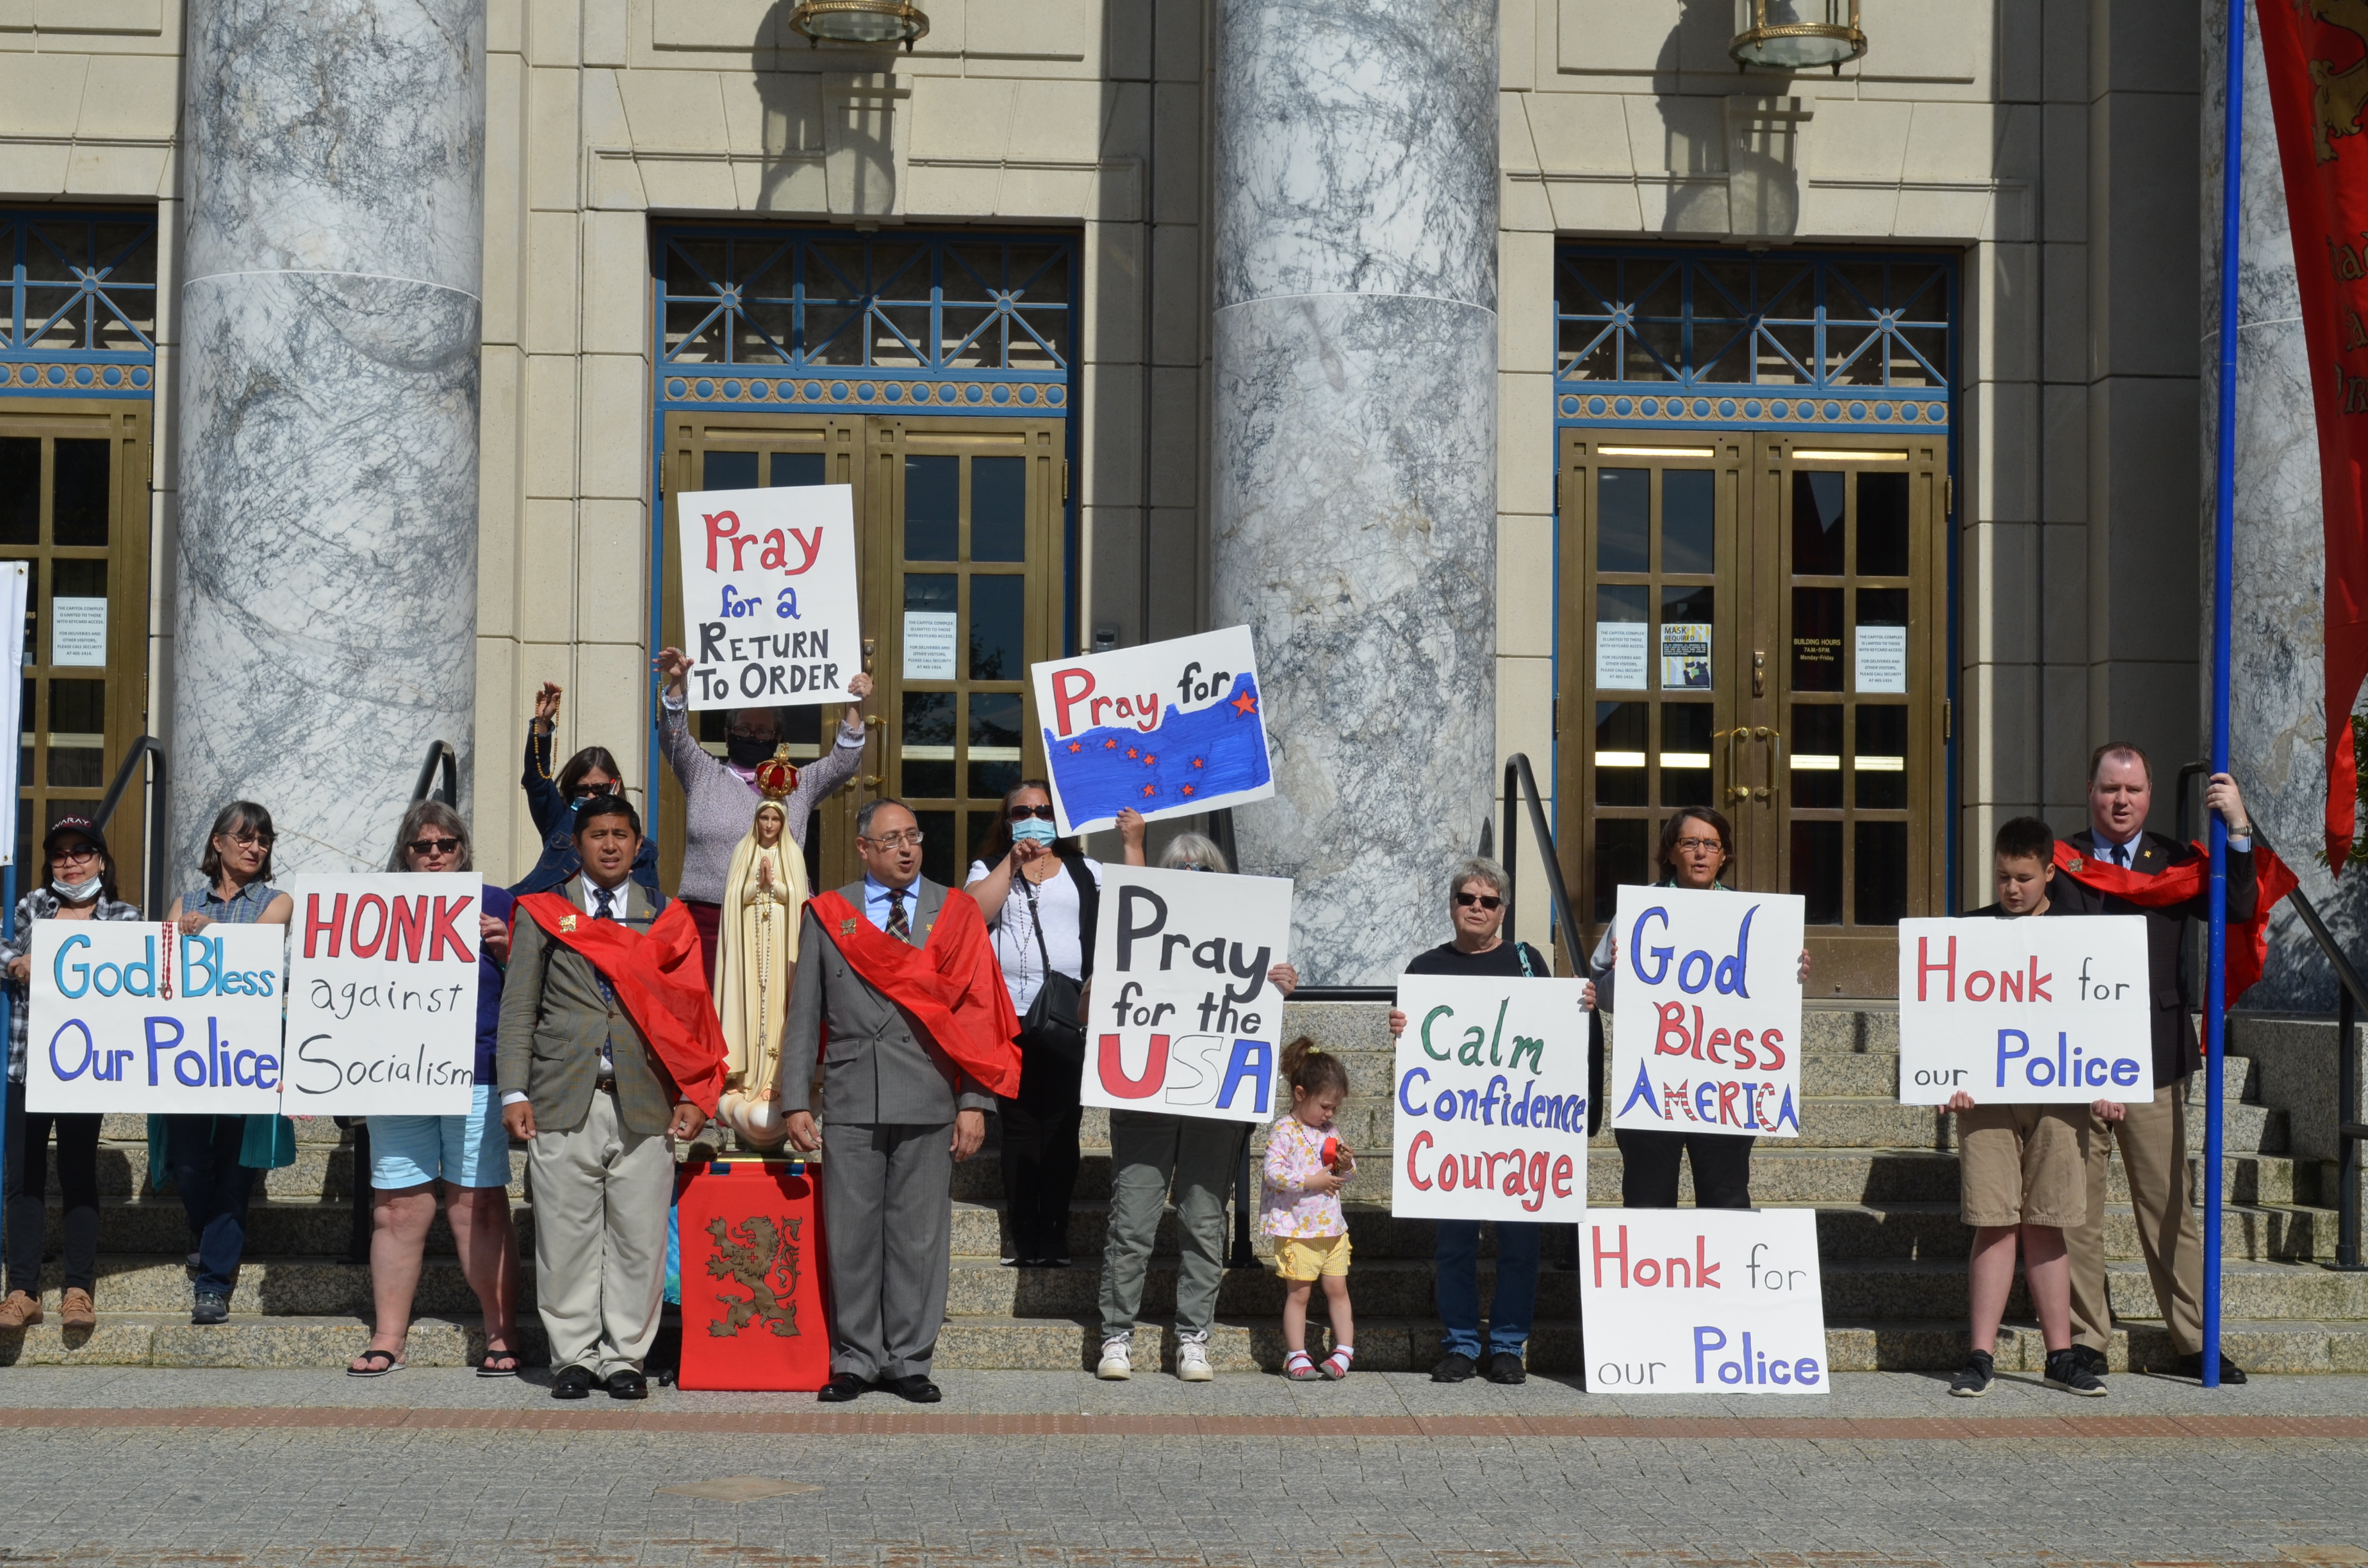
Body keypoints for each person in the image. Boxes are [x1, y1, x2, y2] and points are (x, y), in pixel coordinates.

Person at [778, 797, 1021, 1404]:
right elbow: (804, 1012)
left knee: (918, 1238)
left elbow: (978, 1013)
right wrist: (794, 1100)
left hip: (929, 1094)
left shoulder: (957, 912)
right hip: (853, 1092)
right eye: (891, 840)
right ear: (864, 849)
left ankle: (910, 1358)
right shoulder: (830, 914)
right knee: (852, 1234)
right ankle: (855, 1358)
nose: (907, 849)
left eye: (913, 836)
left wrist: (973, 1101)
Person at [499, 794, 725, 1400]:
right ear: (577, 845)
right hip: (561, 1095)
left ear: (638, 844)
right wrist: (514, 1091)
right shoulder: (545, 913)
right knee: (566, 1237)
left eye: (621, 835)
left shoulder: (667, 917)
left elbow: (690, 1014)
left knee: (638, 1237)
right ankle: (573, 1356)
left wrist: (694, 1094)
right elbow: (519, 1006)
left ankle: (626, 1357)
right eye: (597, 834)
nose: (609, 845)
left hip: (644, 1098)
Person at [2053, 743, 2258, 1387]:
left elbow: (2242, 909)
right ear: (2090, 790)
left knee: (2170, 1205)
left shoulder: (2174, 861)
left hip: (2154, 1059)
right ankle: (2088, 1339)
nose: (2122, 801)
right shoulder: (2061, 862)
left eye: (2134, 790)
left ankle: (2194, 1339)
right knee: (2077, 1213)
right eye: (2111, 789)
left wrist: (2241, 831)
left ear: (2147, 795)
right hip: (2072, 1062)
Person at [1098, 828, 1299, 1383]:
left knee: (1204, 1219)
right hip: (1145, 1095)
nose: (1190, 877)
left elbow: (1254, 1013)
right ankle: (1117, 1336)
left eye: (1203, 870)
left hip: (1215, 1096)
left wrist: (1279, 985)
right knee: (1133, 1221)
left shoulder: (1246, 937)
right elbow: (1100, 996)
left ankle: (1193, 1338)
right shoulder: (1133, 934)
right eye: (1179, 869)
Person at [346, 802, 524, 1378]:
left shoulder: (496, 903)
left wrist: (506, 948)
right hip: (396, 1077)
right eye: (423, 847)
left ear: (462, 850)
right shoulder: (370, 909)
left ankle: (500, 1333)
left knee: (479, 1208)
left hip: (476, 1073)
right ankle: (388, 1336)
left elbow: (539, 986)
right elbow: (342, 992)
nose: (435, 855)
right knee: (396, 1210)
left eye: (446, 845)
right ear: (405, 852)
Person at [1944, 817, 2105, 1399]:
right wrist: (1949, 1076)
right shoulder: (1968, 933)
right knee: (1993, 1220)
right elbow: (1946, 1015)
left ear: (2050, 874)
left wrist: (2109, 1076)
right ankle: (1980, 1355)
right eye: (2004, 877)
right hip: (1986, 1099)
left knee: (2048, 1221)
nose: (2011, 889)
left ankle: (2059, 1355)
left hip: (2061, 1098)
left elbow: (2104, 1012)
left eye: (2024, 878)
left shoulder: (2082, 935)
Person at [1385, 856, 1563, 1385]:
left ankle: (1508, 1345)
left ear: (1503, 911)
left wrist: (1580, 1006)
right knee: (1455, 1244)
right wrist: (1400, 1028)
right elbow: (1414, 1056)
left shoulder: (1527, 962)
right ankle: (1460, 1344)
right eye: (1467, 899)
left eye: (1488, 901)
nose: (1477, 908)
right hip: (1454, 1132)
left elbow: (1553, 1036)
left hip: (1519, 1127)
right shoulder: (1425, 969)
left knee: (1520, 1243)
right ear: (1452, 906)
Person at [1581, 808, 1810, 1210]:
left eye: (1711, 844)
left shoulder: (1756, 920)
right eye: (1690, 843)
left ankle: (1723, 1274)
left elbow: (1768, 1004)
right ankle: (1649, 1272)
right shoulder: (1639, 914)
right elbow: (1600, 995)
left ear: (1724, 856)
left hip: (1726, 1087)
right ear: (1671, 853)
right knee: (1647, 1199)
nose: (1701, 853)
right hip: (1653, 1086)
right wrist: (1624, 971)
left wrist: (1792, 974)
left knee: (1726, 1198)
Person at [651, 648, 874, 983]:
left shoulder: (796, 785)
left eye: (763, 732)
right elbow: (674, 740)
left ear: (778, 740)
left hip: (779, 920)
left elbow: (842, 763)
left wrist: (854, 704)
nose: (752, 737)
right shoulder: (703, 773)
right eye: (743, 730)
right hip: (709, 922)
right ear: (727, 736)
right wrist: (678, 683)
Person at [0, 817, 142, 1333]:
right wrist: (18, 962)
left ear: (102, 860)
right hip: (26, 1064)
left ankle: (79, 1290)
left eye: (82, 851)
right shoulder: (29, 908)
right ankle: (22, 1291)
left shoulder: (126, 918)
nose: (71, 861)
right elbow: (1, 949)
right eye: (60, 853)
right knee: (23, 1180)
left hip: (87, 1071)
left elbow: (147, 972)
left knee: (79, 1176)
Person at [159, 801, 297, 1327]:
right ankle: (203, 1228)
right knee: (192, 1164)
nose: (255, 848)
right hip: (189, 1053)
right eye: (244, 838)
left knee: (235, 1174)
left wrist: (207, 931)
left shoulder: (277, 900)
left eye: (263, 840)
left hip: (248, 1053)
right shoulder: (184, 900)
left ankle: (214, 1285)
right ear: (217, 843)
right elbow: (163, 961)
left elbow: (260, 942)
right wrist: (186, 929)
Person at [966, 780, 1102, 1268]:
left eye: (1043, 810)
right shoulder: (989, 868)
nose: (1033, 816)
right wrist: (1012, 863)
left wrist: (1133, 844)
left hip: (1069, 1016)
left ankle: (1054, 1233)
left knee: (1064, 1126)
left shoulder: (1087, 871)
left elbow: (1133, 915)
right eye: (1022, 810)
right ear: (1007, 821)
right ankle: (1024, 1235)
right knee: (1021, 1127)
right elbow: (973, 916)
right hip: (1010, 1015)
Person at [712, 758, 801, 1148]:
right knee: (751, 1008)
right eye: (764, 819)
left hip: (781, 945)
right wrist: (753, 888)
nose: (769, 827)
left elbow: (801, 899)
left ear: (783, 823)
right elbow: (731, 899)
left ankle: (775, 1082)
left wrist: (776, 886)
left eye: (775, 820)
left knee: (780, 1007)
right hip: (750, 947)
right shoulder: (742, 852)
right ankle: (748, 1079)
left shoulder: (792, 854)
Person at [1262, 1037, 1356, 1381]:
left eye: (1334, 1109)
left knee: (1337, 1289)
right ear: (1301, 1095)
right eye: (1325, 1106)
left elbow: (1348, 1171)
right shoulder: (1285, 1130)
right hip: (1298, 1230)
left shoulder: (1329, 1130)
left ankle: (1344, 1348)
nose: (1330, 1115)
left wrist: (1346, 1165)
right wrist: (1312, 1181)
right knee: (1299, 1294)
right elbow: (1273, 1172)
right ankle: (1297, 1354)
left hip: (1331, 1228)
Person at [513, 681, 659, 897]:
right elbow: (537, 783)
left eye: (599, 789)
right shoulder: (560, 822)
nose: (591, 796)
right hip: (554, 914)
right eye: (582, 790)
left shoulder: (642, 848)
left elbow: (647, 909)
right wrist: (542, 725)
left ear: (615, 785)